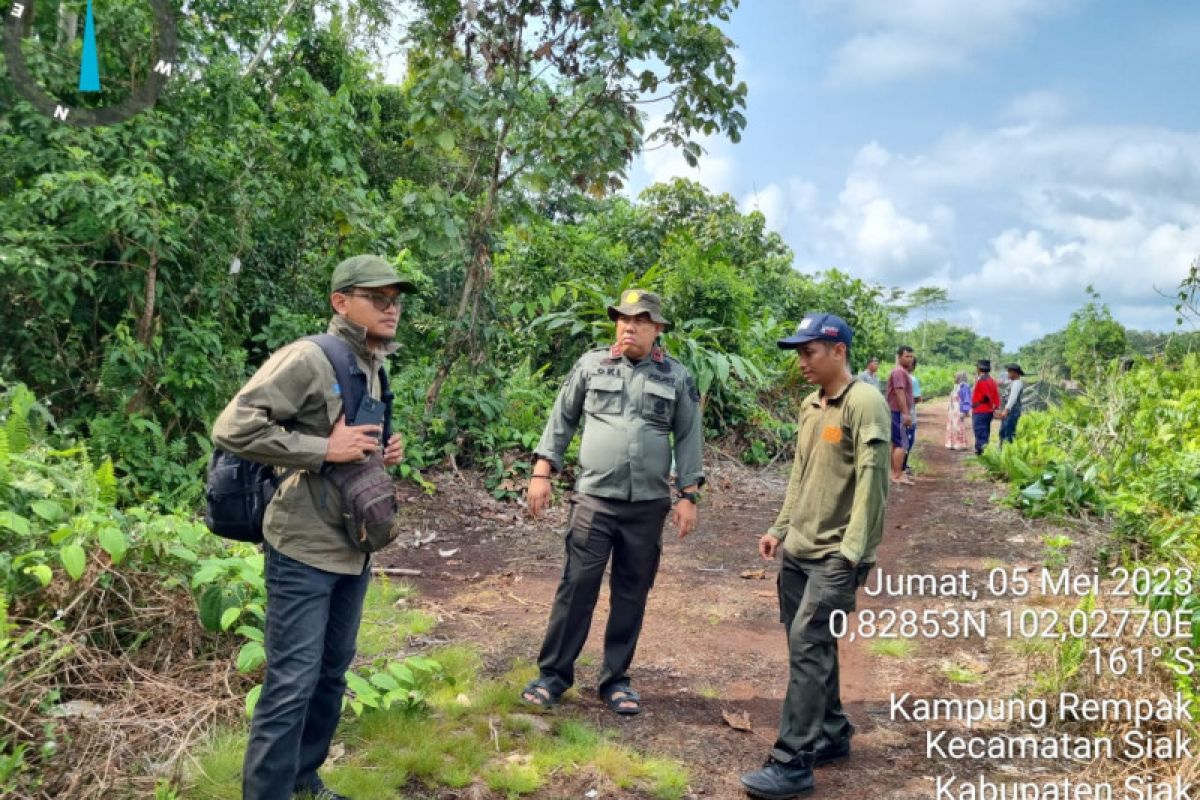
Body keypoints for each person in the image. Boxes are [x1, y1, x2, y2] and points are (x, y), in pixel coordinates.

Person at [213, 255, 413, 800]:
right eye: (378, 298)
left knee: (331, 675)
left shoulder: (372, 362)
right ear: (341, 302)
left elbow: (354, 441)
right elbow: (232, 426)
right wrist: (322, 449)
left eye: (395, 300)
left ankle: (304, 779)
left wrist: (382, 449)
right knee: (291, 683)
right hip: (303, 547)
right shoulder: (307, 358)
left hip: (354, 547)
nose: (390, 308)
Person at [520, 289, 704, 715]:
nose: (629, 326)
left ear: (657, 329)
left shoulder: (675, 376)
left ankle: (615, 680)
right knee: (576, 586)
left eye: (640, 320)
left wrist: (689, 494)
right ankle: (553, 676)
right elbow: (561, 419)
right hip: (594, 500)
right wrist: (541, 473)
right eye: (623, 319)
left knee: (631, 591)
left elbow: (689, 436)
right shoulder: (591, 365)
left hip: (648, 505)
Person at [740, 313, 890, 800]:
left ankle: (793, 761)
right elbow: (800, 475)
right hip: (800, 551)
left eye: (810, 352)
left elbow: (873, 483)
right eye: (799, 353)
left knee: (807, 643)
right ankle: (831, 732)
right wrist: (779, 529)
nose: (802, 362)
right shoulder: (810, 405)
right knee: (809, 646)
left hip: (836, 556)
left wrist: (853, 553)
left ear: (838, 351)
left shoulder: (865, 402)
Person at [885, 345, 915, 485]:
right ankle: (897, 474)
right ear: (899, 357)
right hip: (897, 412)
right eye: (906, 356)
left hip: (896, 412)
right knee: (901, 443)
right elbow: (899, 392)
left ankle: (895, 472)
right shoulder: (899, 372)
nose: (909, 359)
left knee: (898, 442)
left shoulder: (902, 372)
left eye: (911, 356)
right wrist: (905, 413)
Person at [970, 359, 1001, 456]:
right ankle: (984, 450)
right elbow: (996, 395)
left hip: (981, 410)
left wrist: (986, 403)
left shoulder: (982, 380)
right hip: (987, 411)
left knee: (980, 430)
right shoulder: (992, 380)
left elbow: (987, 395)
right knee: (985, 431)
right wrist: (995, 407)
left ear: (979, 369)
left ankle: (981, 451)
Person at [997, 363, 1026, 445]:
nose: (1008, 374)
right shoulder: (1012, 382)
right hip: (1009, 411)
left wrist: (1006, 411)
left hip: (1012, 411)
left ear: (1015, 373)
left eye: (1009, 372)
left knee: (1008, 432)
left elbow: (1012, 398)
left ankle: (1007, 452)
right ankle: (1002, 451)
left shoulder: (1017, 383)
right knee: (1003, 431)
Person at [902, 357, 921, 474]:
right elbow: (918, 398)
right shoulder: (912, 380)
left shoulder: (895, 376)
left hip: (895, 413)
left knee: (899, 440)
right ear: (913, 367)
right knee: (909, 440)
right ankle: (903, 466)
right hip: (910, 414)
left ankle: (898, 466)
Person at [945, 371, 971, 450]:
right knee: (952, 426)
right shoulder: (956, 386)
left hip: (958, 409)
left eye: (955, 377)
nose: (954, 378)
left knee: (958, 426)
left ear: (960, 377)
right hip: (952, 410)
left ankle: (959, 444)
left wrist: (966, 410)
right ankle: (952, 443)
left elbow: (966, 399)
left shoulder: (965, 386)